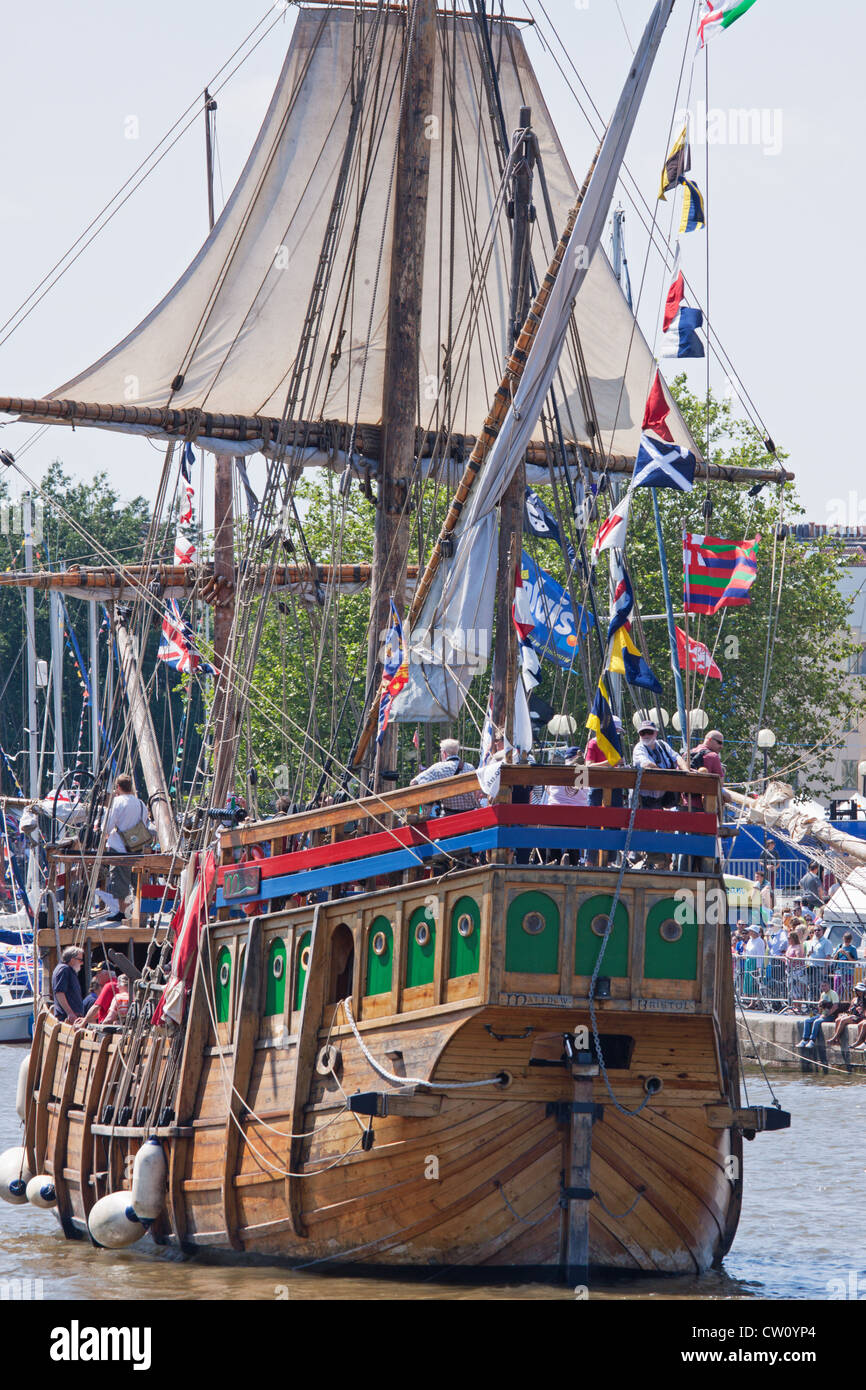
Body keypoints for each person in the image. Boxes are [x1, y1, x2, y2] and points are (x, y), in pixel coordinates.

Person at [102, 775, 151, 919]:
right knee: (137, 881)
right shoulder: (140, 803)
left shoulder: (117, 802)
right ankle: (139, 912)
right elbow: (144, 822)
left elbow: (108, 825)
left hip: (119, 848)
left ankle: (123, 912)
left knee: (119, 880)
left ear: (118, 787)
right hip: (137, 847)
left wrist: (105, 834)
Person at [409, 738, 477, 814]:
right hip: (472, 814)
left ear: (444, 753)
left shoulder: (438, 768)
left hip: (451, 815)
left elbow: (413, 783)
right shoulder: (470, 767)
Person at [631, 721, 688, 806]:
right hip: (644, 800)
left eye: (649, 732)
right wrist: (667, 778)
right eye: (642, 733)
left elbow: (677, 758)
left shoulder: (662, 745)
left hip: (663, 797)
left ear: (656, 733)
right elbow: (647, 765)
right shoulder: (639, 748)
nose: (646, 735)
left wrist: (687, 771)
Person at [51, 946, 85, 1023]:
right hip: (68, 1018)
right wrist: (70, 1013)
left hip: (70, 1017)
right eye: (80, 960)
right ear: (72, 960)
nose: (82, 963)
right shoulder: (64, 970)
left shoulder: (65, 969)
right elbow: (59, 993)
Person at [827, 981, 866, 1047]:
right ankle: (837, 1040)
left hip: (860, 1017)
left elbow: (863, 1014)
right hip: (853, 1016)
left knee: (843, 1020)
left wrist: (861, 1010)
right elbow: (849, 1010)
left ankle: (835, 1038)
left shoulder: (865, 1000)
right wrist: (846, 1014)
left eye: (860, 991)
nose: (859, 992)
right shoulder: (855, 1000)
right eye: (857, 990)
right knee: (838, 1019)